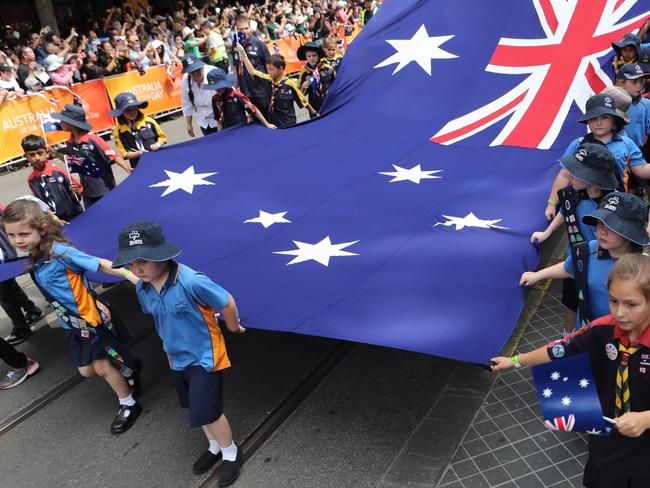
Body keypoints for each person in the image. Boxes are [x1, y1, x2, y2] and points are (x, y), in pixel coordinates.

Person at [491, 252, 650, 487]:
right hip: (605, 449)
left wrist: (646, 418)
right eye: (613, 300)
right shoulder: (602, 330)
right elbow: (559, 350)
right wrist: (515, 361)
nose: (619, 313)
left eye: (631, 304)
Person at [112, 221, 244, 482]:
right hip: (176, 358)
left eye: (143, 261)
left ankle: (230, 452)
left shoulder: (190, 280)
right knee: (196, 407)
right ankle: (214, 446)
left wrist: (233, 327)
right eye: (131, 263)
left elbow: (226, 300)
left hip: (205, 357)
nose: (137, 268)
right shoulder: (143, 286)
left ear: (162, 254)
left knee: (209, 410)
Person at [1, 199, 142, 434]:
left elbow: (101, 265)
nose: (18, 241)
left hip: (89, 318)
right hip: (72, 323)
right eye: (12, 235)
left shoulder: (61, 252)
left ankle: (129, 404)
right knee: (86, 371)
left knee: (102, 367)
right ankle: (129, 369)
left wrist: (131, 276)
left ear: (42, 229)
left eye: (24, 234)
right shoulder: (35, 254)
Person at [522, 191, 649, 328]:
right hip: (587, 330)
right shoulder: (589, 249)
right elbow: (569, 267)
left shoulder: (644, 265)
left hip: (628, 338)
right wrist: (537, 275)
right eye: (600, 223)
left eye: (612, 227)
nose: (602, 231)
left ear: (631, 232)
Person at [531, 143, 619, 336]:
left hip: (599, 265)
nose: (569, 175)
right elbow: (565, 212)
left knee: (596, 303)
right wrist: (546, 233)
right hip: (573, 262)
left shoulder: (612, 205)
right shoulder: (574, 194)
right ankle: (567, 336)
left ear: (594, 178)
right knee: (571, 300)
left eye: (576, 172)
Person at [545, 94, 649, 221]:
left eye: (605, 117)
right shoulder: (578, 144)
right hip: (582, 206)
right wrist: (551, 203)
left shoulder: (626, 144)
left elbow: (641, 169)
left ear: (614, 121)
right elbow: (565, 175)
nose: (599, 122)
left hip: (616, 206)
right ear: (587, 121)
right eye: (593, 118)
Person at [51, 104, 131, 208]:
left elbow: (113, 155)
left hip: (104, 190)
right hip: (87, 192)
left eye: (63, 120)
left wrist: (127, 168)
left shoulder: (93, 139)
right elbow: (73, 161)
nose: (60, 123)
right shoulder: (70, 142)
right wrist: (56, 154)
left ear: (72, 123)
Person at [235, 44, 316, 127]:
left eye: (271, 69)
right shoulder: (269, 79)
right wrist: (243, 53)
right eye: (267, 68)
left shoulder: (289, 84)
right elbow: (252, 71)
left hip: (288, 122)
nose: (268, 71)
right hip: (274, 122)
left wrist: (313, 112)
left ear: (280, 69)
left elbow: (303, 100)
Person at [0, 202, 43, 346]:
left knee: (4, 296)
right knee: (10, 288)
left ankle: (21, 326)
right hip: (5, 257)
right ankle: (32, 310)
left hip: (3, 260)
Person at [22, 135, 84, 222]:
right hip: (53, 221)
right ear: (27, 157)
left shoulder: (59, 172)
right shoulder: (32, 179)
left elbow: (78, 192)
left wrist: (75, 192)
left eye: (40, 153)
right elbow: (40, 202)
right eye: (32, 155)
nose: (37, 158)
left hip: (74, 217)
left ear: (47, 153)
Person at [201, 67, 276, 130]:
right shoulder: (215, 99)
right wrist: (220, 133)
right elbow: (218, 119)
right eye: (215, 88)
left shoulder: (237, 96)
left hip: (241, 129)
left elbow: (253, 110)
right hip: (227, 130)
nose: (217, 90)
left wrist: (267, 124)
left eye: (219, 87)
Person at [109, 92, 168, 169]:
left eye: (135, 109)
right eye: (128, 110)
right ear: (121, 112)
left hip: (158, 160)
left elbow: (162, 137)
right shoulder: (118, 131)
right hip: (139, 166)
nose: (132, 112)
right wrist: (139, 153)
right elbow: (125, 154)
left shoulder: (149, 121)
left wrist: (157, 145)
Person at [231, 14, 272, 119]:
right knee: (254, 123)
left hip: (261, 91)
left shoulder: (259, 44)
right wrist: (234, 89)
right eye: (241, 29)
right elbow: (236, 68)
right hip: (246, 93)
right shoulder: (235, 47)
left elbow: (270, 66)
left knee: (269, 120)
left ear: (250, 28)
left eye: (246, 28)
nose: (244, 31)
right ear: (236, 30)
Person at [181, 55, 219, 137]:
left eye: (198, 69)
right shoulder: (186, 80)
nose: (196, 73)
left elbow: (230, 92)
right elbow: (186, 103)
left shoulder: (213, 72)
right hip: (204, 122)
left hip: (221, 119)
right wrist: (189, 124)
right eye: (192, 72)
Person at [297, 41, 336, 114]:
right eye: (308, 56)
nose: (311, 58)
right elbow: (299, 94)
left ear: (319, 55)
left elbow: (337, 84)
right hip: (315, 106)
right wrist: (302, 87)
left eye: (314, 55)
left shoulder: (328, 69)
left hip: (330, 103)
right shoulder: (304, 73)